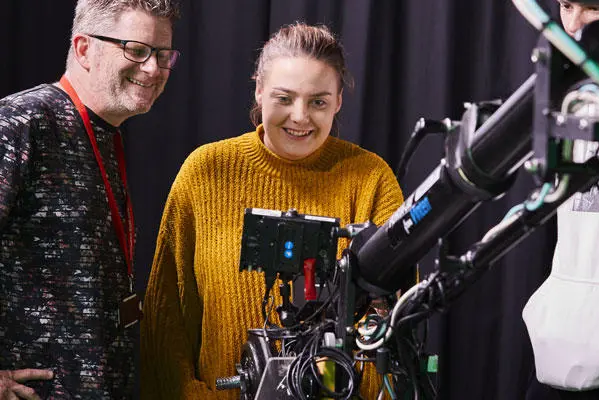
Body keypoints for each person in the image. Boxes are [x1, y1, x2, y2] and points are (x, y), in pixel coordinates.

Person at [141, 23, 404, 399]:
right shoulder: (206, 172)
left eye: (318, 101)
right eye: (284, 98)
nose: (300, 117)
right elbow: (166, 316)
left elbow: (395, 325)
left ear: (339, 101)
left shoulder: (371, 180)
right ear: (259, 90)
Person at [0, 0, 180, 398]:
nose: (153, 68)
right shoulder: (21, 122)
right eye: (136, 50)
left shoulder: (106, 133)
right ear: (83, 48)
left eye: (162, 54)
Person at [524, 2, 599, 399]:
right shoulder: (567, 99)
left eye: (592, 9)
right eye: (566, 5)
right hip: (562, 357)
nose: (571, 26)